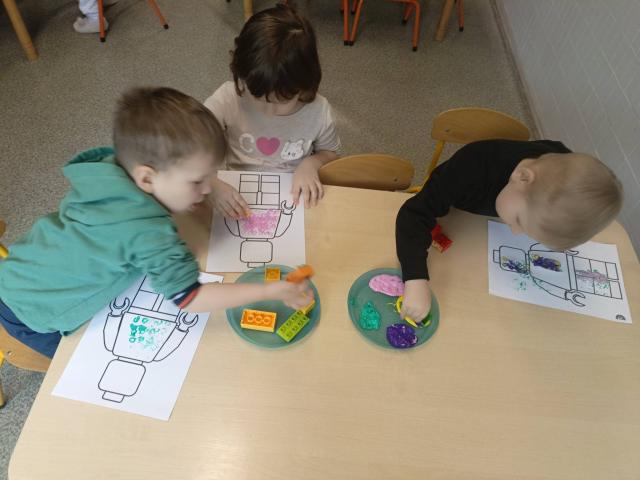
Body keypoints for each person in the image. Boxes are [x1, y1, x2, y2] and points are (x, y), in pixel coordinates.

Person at [0, 87, 313, 358]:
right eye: (197, 181)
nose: (207, 189)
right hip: (32, 311)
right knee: (78, 364)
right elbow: (190, 299)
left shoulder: (112, 171)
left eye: (211, 177)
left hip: (18, 267)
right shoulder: (146, 232)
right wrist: (268, 291)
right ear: (147, 178)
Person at [396, 139, 623, 322]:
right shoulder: (470, 168)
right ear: (521, 177)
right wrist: (415, 279)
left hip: (477, 230)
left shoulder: (559, 166)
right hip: (453, 206)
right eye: (518, 221)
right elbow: (413, 215)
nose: (514, 232)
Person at [204, 3, 341, 218]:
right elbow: (187, 145)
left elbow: (331, 153)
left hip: (295, 193)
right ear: (241, 76)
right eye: (257, 97)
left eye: (283, 101)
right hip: (237, 190)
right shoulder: (227, 99)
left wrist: (311, 163)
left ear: (305, 85)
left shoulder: (319, 111)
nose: (268, 111)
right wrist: (210, 182)